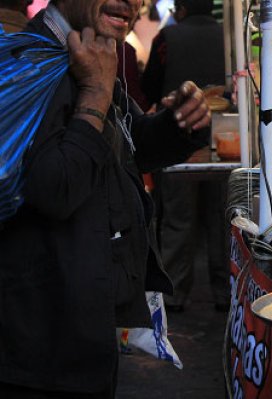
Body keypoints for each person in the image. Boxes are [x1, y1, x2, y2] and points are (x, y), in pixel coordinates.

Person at [0, 0, 212, 396]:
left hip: (82, 333)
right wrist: (95, 93)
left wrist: (180, 125)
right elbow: (54, 188)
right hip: (39, 348)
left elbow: (125, 151)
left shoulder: (90, 51)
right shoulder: (28, 62)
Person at [141, 0, 229, 313]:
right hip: (224, 138)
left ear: (181, 10)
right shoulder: (228, 34)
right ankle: (225, 291)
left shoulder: (167, 38)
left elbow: (149, 85)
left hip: (178, 139)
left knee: (178, 219)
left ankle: (174, 293)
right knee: (222, 219)